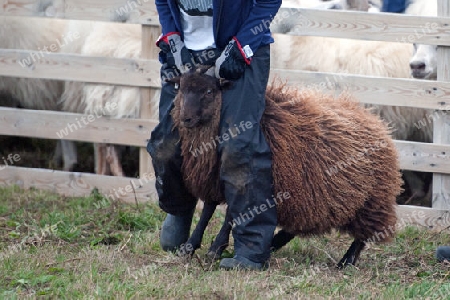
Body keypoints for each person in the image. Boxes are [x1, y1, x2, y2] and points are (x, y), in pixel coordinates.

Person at [147, 0, 282, 270]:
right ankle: (179, 208)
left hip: (240, 46)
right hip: (187, 51)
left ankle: (251, 248)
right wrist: (172, 37)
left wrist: (241, 46)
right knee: (166, 142)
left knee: (238, 145)